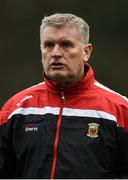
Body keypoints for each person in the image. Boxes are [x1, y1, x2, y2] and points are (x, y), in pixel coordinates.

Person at [0, 13, 128, 179]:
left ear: (86, 52)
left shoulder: (119, 110)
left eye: (66, 45)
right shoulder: (15, 109)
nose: (56, 53)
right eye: (48, 45)